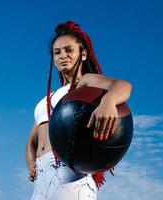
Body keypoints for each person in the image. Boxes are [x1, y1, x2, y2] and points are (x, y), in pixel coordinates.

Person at [25, 21, 132, 200]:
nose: (62, 56)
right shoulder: (47, 99)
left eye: (69, 50)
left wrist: (109, 100)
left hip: (70, 172)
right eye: (57, 52)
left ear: (83, 55)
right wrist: (31, 162)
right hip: (42, 177)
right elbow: (32, 142)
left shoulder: (84, 84)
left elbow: (123, 86)